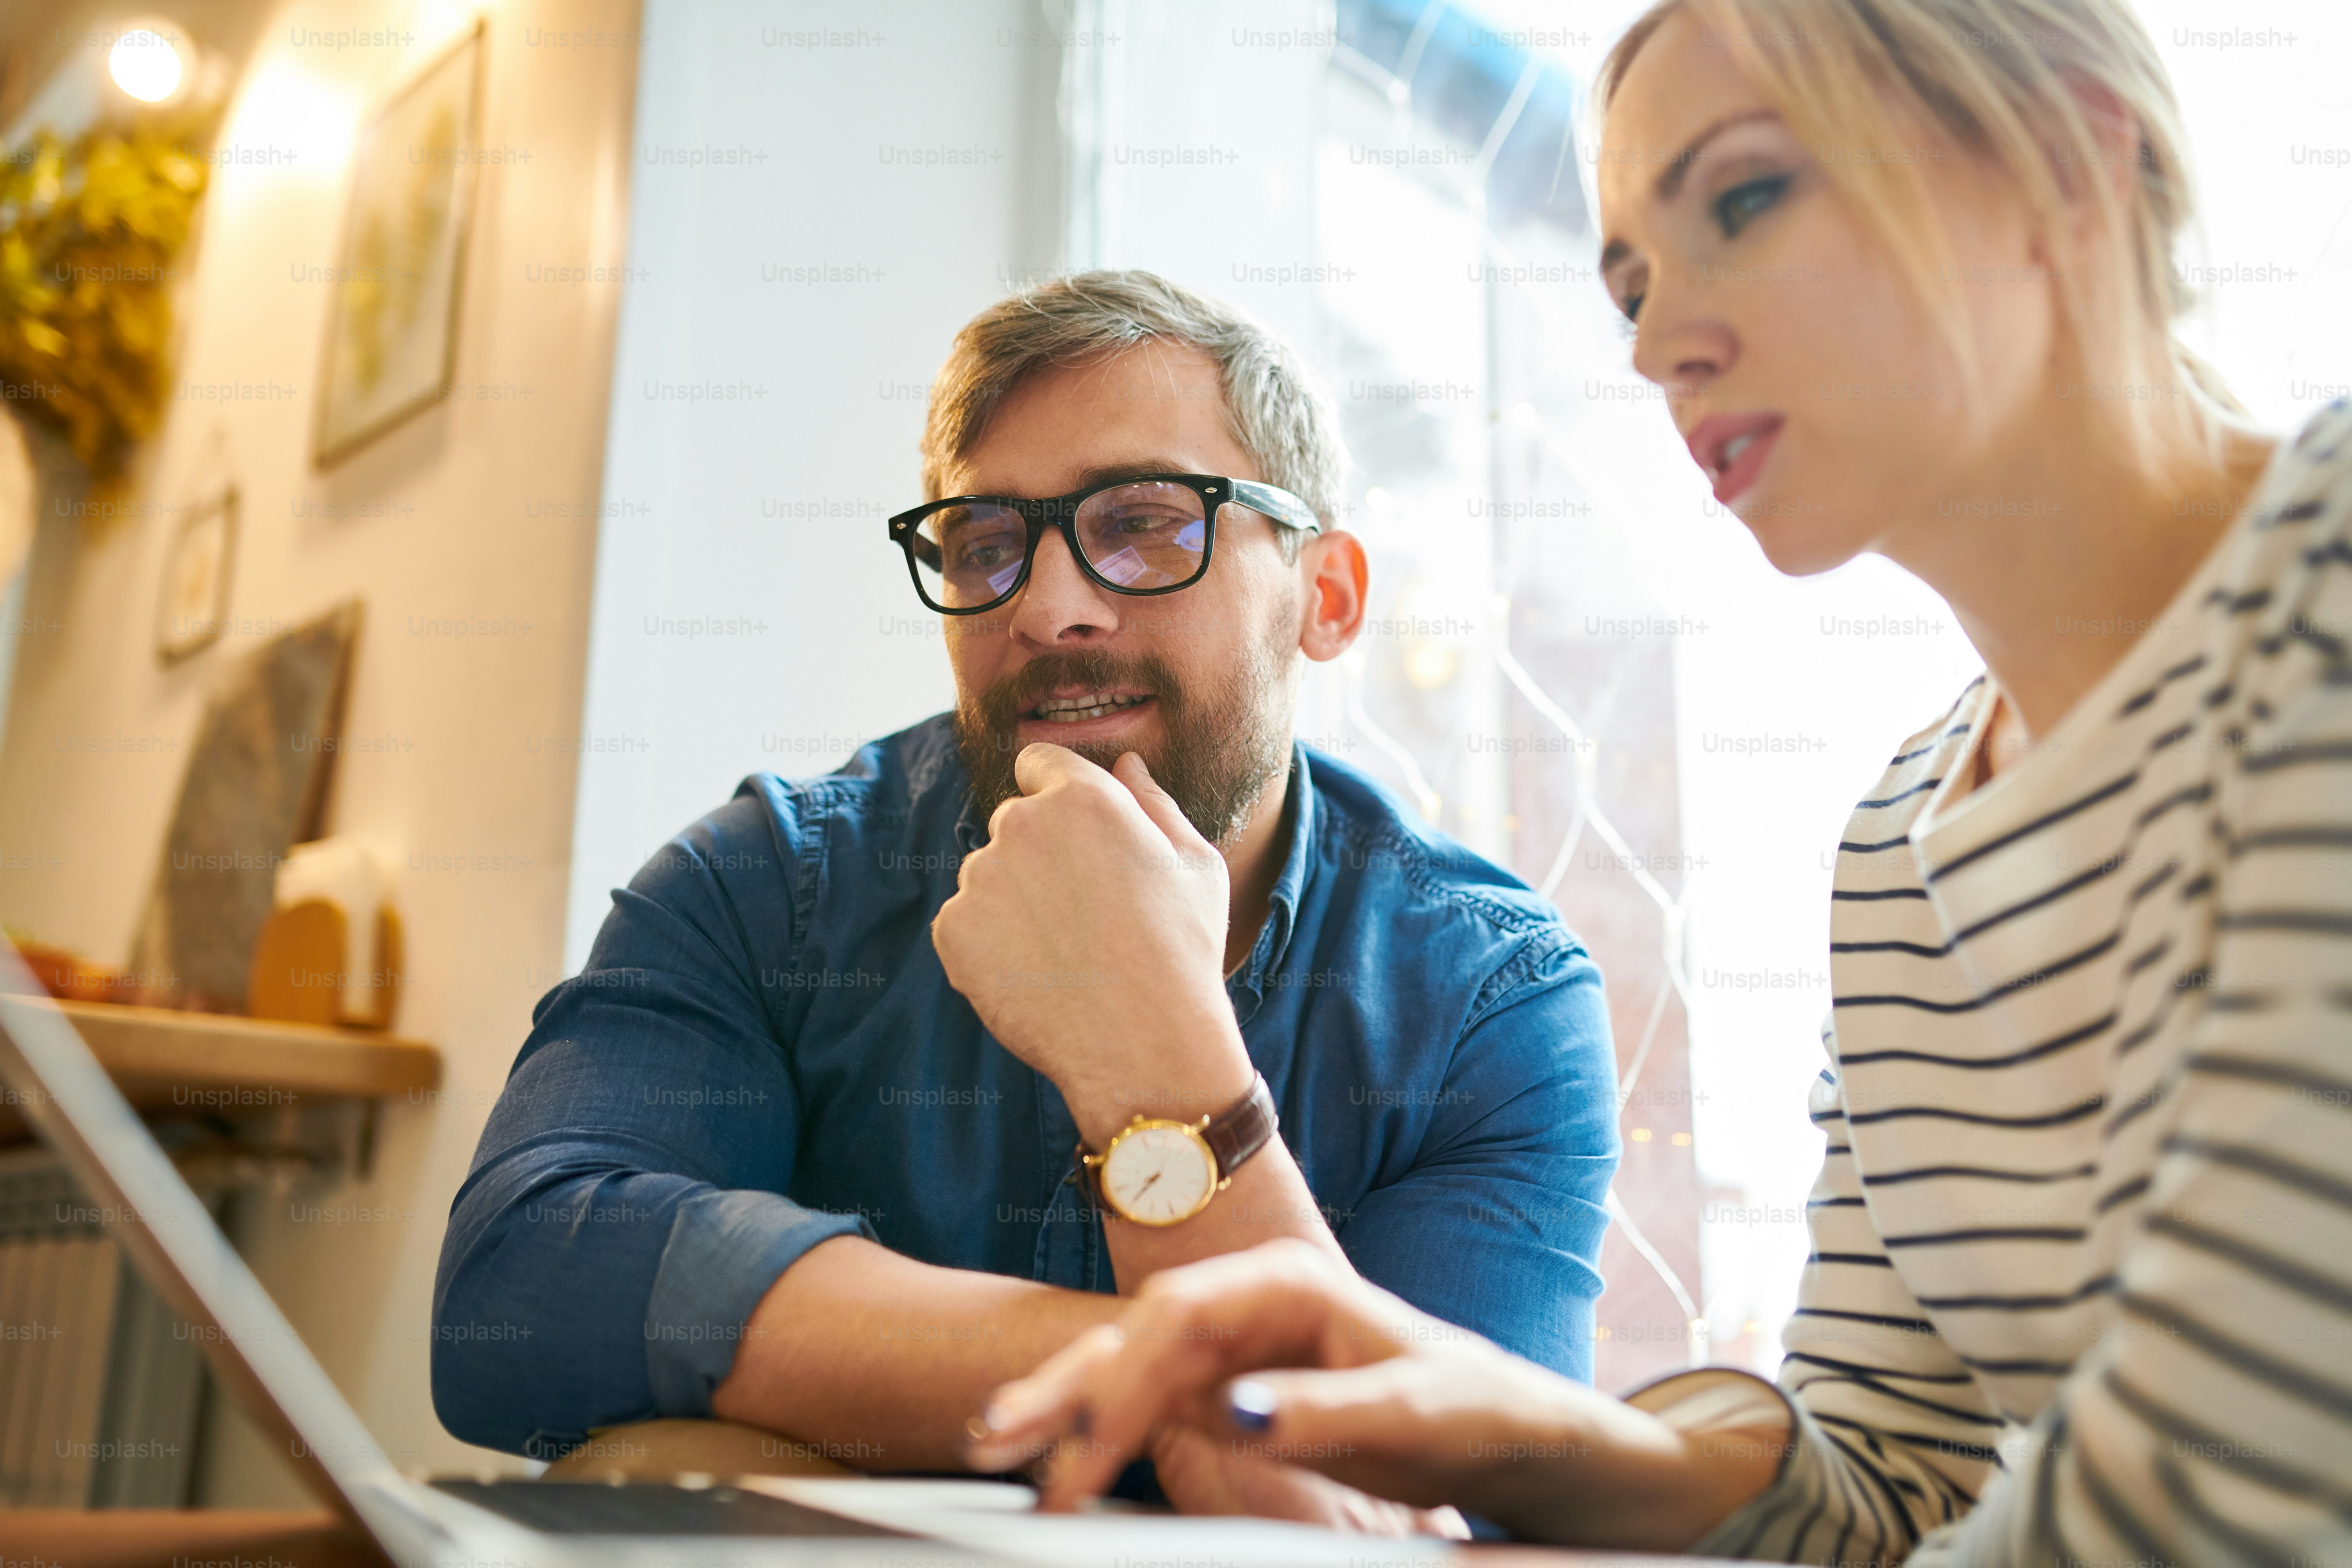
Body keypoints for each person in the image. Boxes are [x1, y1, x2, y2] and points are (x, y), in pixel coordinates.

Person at [964, 0, 2352, 1561]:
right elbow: (1888, 1491)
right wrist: (1469, 1410)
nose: (1650, 342)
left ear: (2069, 158)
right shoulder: (1903, 845)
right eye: (1630, 284)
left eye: (1743, 200)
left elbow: (2204, 1500)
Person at [430, 272, 1621, 1524]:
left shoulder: (1489, 995)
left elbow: (1456, 1516)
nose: (1050, 609)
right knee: (652, 1477)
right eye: (987, 545)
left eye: (1148, 524)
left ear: (1326, 599)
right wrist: (1160, 1374)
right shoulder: (771, 886)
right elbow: (520, 1282)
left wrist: (1152, 1037)